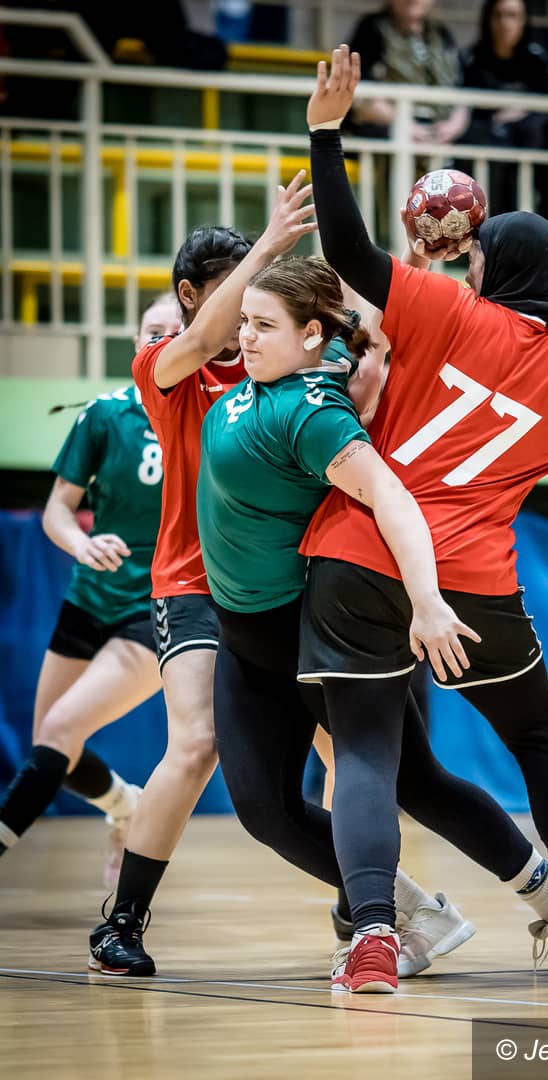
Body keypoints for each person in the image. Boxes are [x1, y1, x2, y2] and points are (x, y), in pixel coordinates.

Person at [298, 45, 548, 991]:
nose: (467, 263)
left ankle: (372, 938)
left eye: (478, 255)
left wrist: (326, 133)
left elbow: (348, 254)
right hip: (477, 584)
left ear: (502, 267)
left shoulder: (449, 313)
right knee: (541, 741)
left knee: (366, 750)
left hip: (358, 556)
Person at [198, 253, 548, 992]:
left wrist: (428, 601)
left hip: (301, 629)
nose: (244, 337)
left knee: (419, 783)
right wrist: (405, 270)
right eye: (244, 321)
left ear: (308, 336)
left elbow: (393, 498)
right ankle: (417, 913)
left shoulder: (314, 413)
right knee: (266, 813)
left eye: (262, 325)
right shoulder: (299, 367)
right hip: (241, 635)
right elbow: (357, 322)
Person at [85, 177, 320, 976]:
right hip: (192, 585)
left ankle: (372, 911)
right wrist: (271, 245)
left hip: (280, 585)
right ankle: (122, 923)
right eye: (234, 293)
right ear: (191, 296)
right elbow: (204, 336)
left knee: (345, 742)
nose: (247, 313)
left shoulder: (273, 365)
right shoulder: (167, 365)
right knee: (195, 744)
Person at [0, 294, 181, 889]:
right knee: (51, 742)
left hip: (153, 607)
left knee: (58, 733)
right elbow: (58, 509)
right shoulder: (106, 414)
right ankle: (124, 805)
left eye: (175, 331)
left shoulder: (208, 416)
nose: (161, 339)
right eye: (152, 330)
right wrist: (81, 544)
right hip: (88, 597)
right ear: (135, 341)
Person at [459, 0, 548, 226]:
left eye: (512, 16)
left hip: (534, 143)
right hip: (492, 141)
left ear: (524, 22)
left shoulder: (535, 61)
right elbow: (472, 113)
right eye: (499, 15)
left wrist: (520, 111)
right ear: (488, 20)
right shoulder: (473, 59)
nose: (505, 23)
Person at [347, 0, 468, 144]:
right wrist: (407, 127)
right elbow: (360, 90)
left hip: (439, 128)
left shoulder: (440, 32)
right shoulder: (373, 27)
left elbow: (459, 86)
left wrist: (452, 127)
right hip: (389, 126)